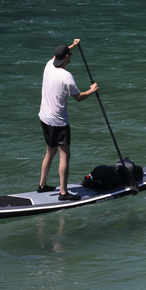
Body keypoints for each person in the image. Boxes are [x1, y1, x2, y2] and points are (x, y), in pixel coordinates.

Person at [39, 38, 99, 199]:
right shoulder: (66, 76)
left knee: (49, 152)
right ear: (66, 57)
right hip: (59, 122)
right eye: (70, 54)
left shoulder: (48, 65)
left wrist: (72, 45)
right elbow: (78, 97)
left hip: (44, 118)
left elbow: (56, 56)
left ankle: (42, 185)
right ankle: (63, 193)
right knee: (64, 155)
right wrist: (92, 90)